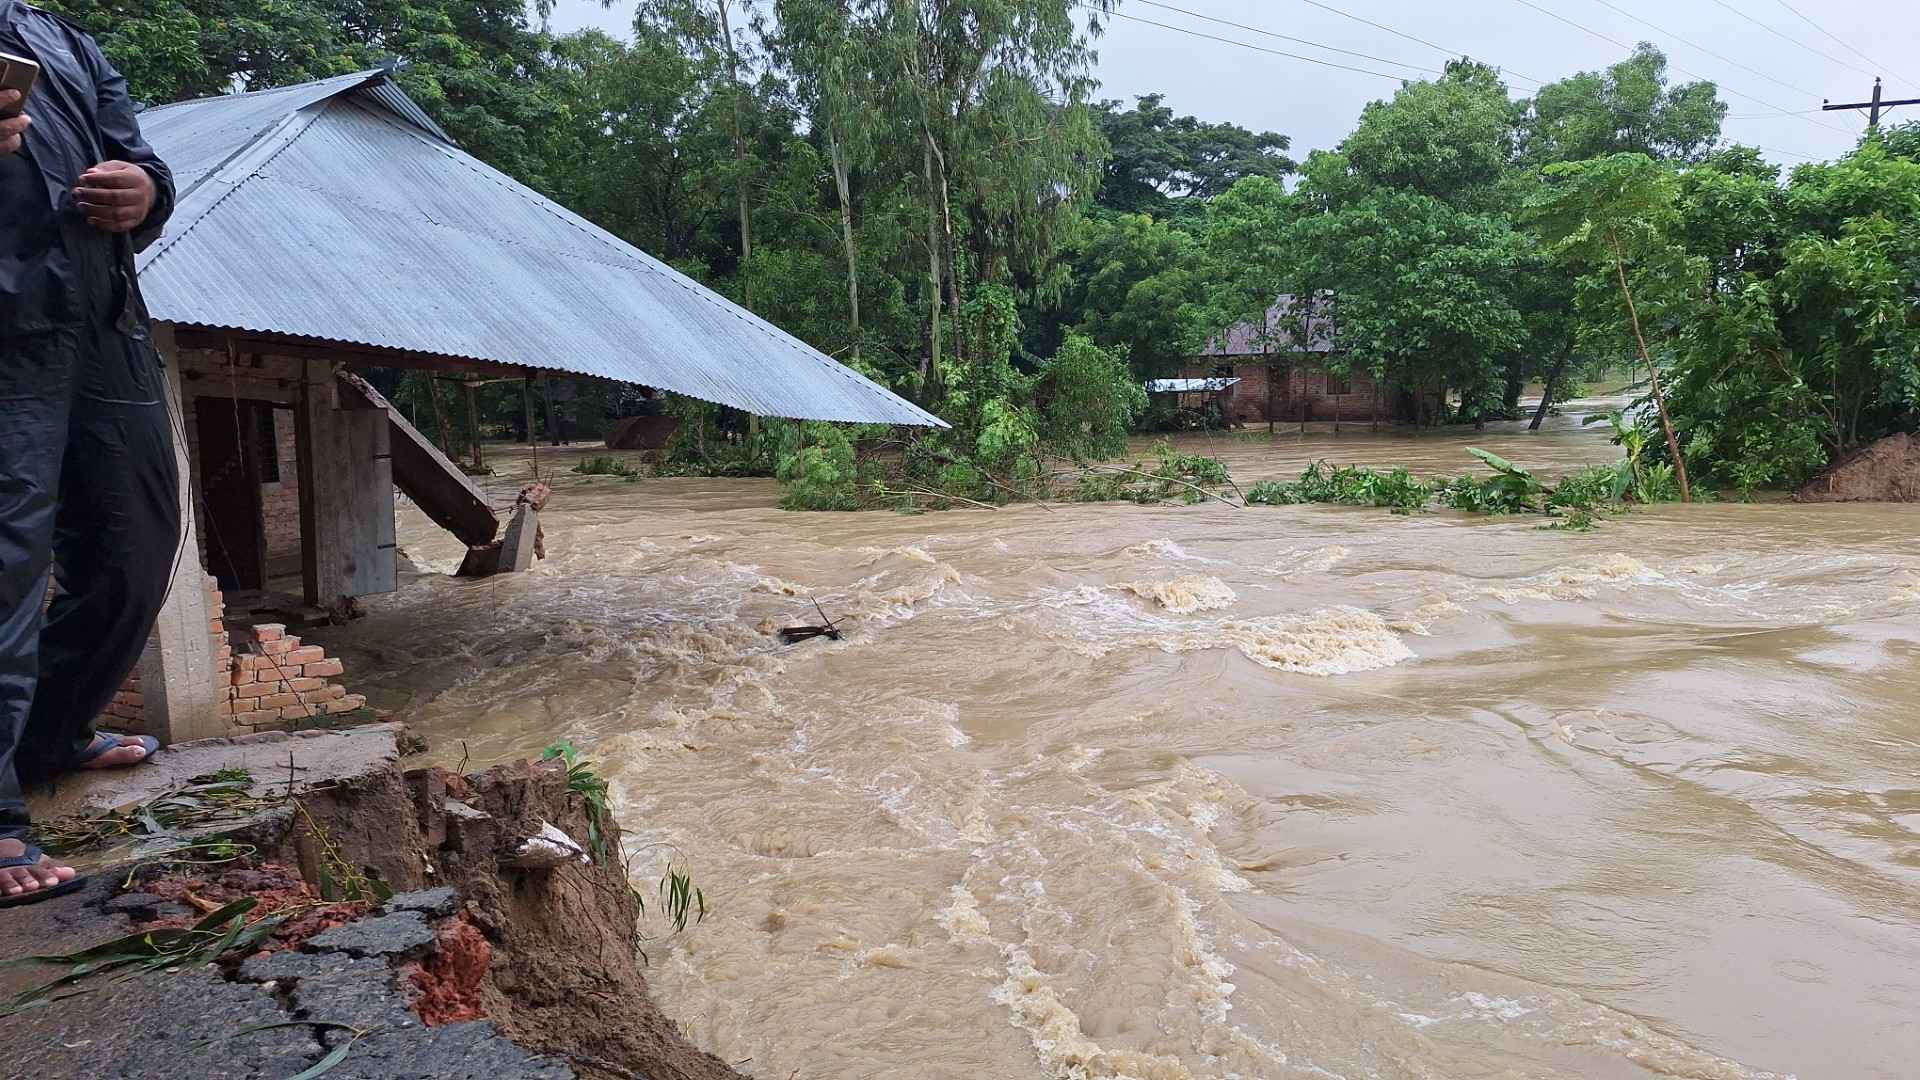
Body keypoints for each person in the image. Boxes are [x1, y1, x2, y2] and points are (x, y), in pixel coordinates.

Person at [0, 0, 180, 905]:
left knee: (135, 546)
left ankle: (50, 735)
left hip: (104, 323)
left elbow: (145, 161)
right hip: (5, 335)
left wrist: (144, 194)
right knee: (5, 562)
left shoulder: (65, 40)